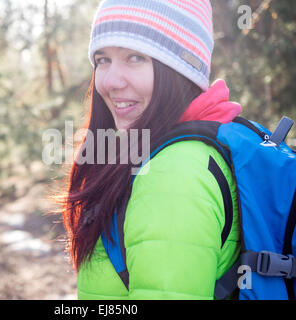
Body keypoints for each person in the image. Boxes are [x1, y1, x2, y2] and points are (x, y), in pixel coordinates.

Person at [60, 0, 242, 299]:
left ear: (181, 71)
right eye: (103, 59)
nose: (110, 82)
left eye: (135, 57)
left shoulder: (174, 175)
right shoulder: (154, 152)